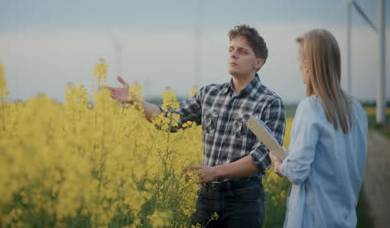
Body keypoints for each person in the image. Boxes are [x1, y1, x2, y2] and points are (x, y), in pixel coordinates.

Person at [108, 24, 286, 227]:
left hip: (244, 199)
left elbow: (262, 158)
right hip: (207, 196)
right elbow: (169, 119)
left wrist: (215, 172)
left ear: (258, 62)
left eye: (242, 51)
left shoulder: (270, 102)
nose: (233, 55)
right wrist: (134, 101)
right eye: (231, 49)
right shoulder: (209, 94)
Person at [269, 29, 368, 228]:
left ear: (308, 65)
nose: (298, 67)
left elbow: (297, 172)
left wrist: (281, 165)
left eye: (299, 60)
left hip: (313, 219)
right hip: (344, 219)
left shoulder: (310, 107)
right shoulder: (357, 110)